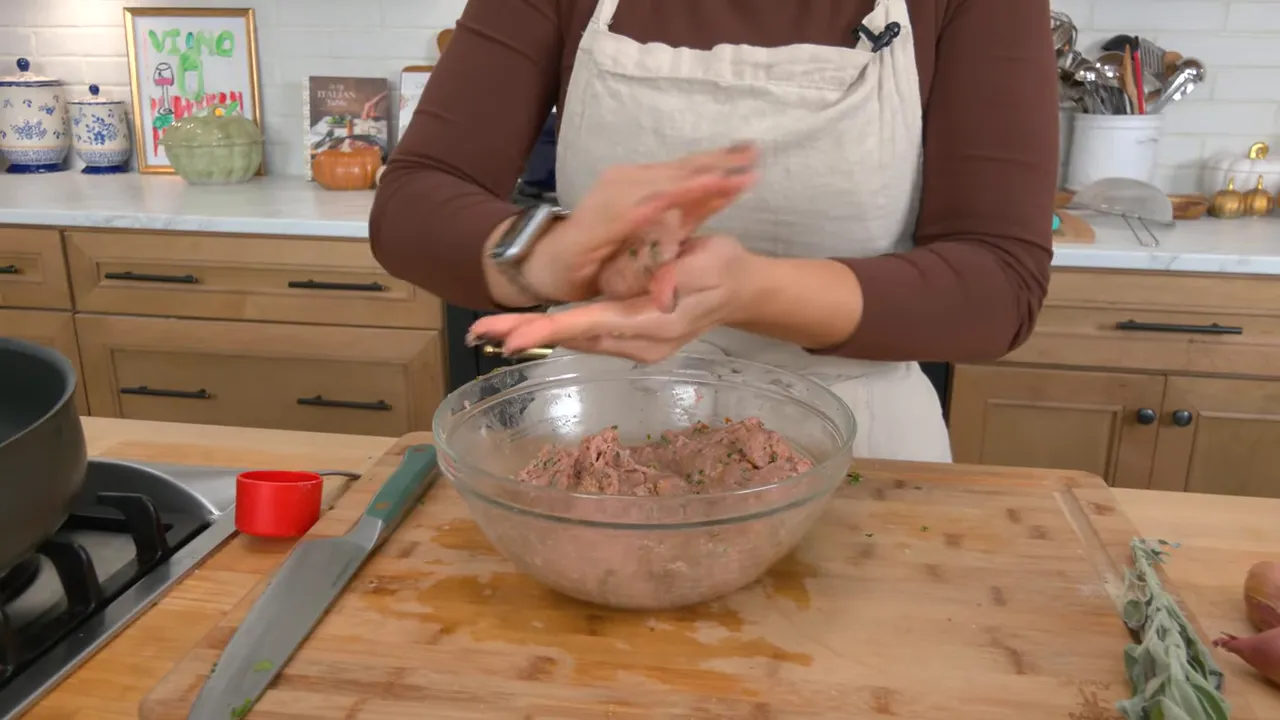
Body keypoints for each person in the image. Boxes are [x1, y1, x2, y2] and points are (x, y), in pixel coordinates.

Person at [369, 0, 1058, 463]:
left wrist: (749, 290)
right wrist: (549, 256)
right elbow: (413, 199)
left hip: (861, 454)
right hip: (599, 442)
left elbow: (999, 281)